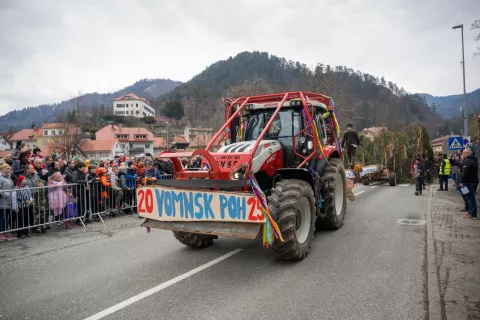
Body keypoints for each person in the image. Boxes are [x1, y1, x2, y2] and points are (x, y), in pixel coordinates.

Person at [459, 148, 479, 219]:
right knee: (469, 197)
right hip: (473, 181)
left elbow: (465, 173)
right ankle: (470, 211)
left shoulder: (468, 161)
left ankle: (473, 213)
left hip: (468, 182)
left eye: (464, 153)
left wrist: (462, 182)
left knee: (470, 197)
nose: (462, 154)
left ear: (468, 153)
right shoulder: (474, 160)